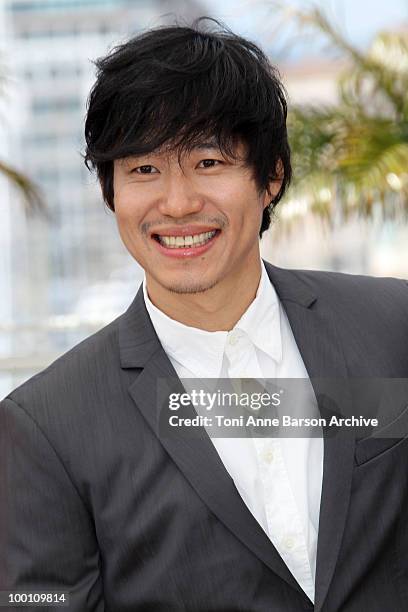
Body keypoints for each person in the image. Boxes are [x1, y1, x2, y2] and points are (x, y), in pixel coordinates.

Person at [1, 18, 407, 612]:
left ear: (271, 176)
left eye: (209, 162)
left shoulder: (391, 326)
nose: (178, 202)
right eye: (144, 170)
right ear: (111, 193)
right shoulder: (45, 428)